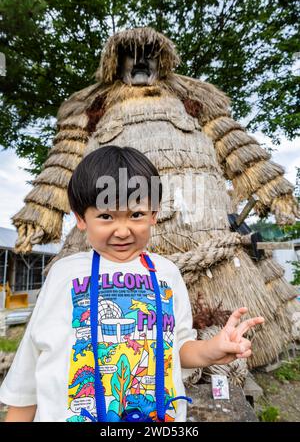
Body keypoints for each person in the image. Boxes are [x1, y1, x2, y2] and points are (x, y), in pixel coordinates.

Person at [0, 146, 264, 422]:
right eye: (106, 216)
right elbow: (28, 374)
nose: (123, 230)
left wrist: (212, 350)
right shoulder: (63, 275)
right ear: (80, 218)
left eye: (136, 214)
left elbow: (179, 349)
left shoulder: (167, 274)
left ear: (154, 214)